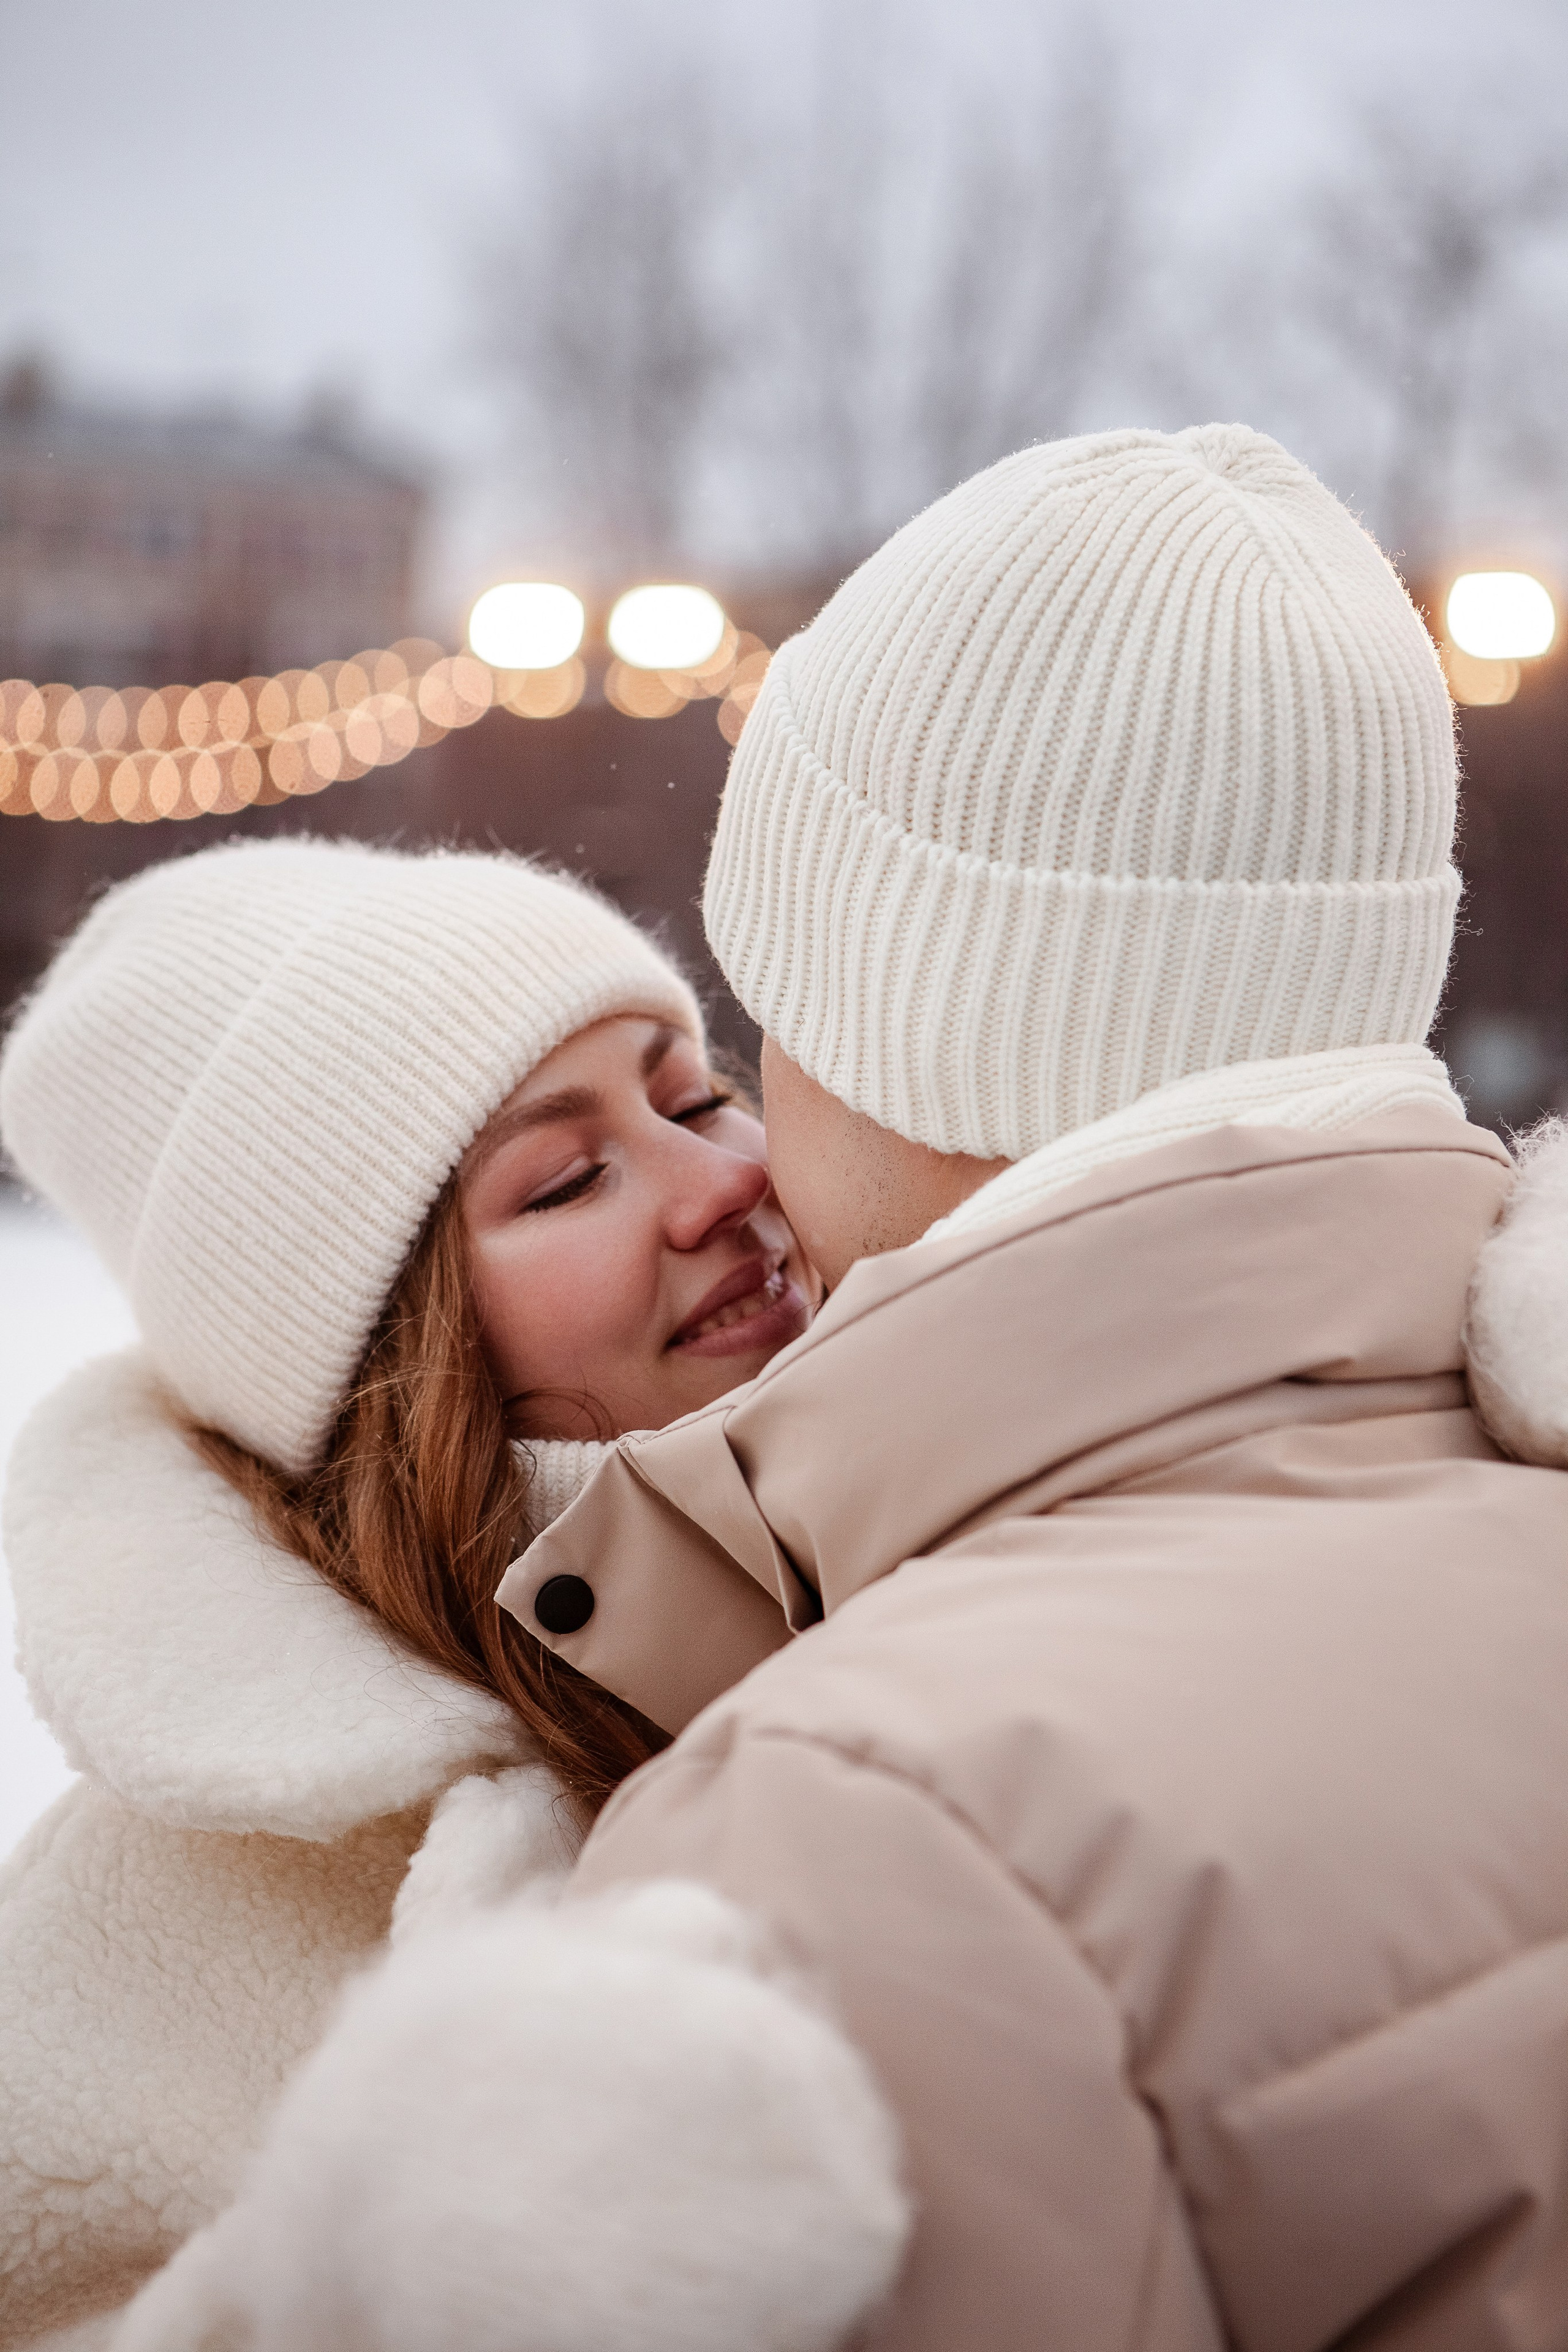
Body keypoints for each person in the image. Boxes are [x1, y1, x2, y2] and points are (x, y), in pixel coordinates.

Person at [160, 426, 1568, 2352]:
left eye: (739, 1047)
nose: (732, 1168)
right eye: (564, 1176)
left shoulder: (859, 1844)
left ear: (910, 1010)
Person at [0, 838, 834, 2346]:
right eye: (568, 1175)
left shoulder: (1033, 1513)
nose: (725, 1179)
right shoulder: (160, 1915)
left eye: (695, 1090)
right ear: (406, 1355)